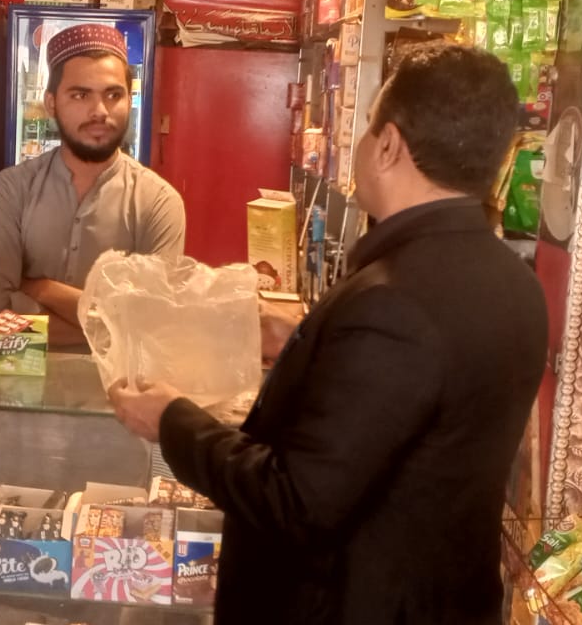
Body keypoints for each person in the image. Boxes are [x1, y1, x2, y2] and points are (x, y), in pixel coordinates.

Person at [107, 43, 547, 623]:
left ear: (388, 145)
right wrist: (308, 339)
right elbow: (416, 423)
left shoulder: (394, 303)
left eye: (368, 128)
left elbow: (298, 501)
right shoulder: (516, 285)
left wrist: (172, 422)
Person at [0, 24, 185, 344]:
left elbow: (151, 328)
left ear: (129, 100)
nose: (99, 111)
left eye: (113, 95)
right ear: (51, 103)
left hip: (118, 380)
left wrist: (42, 289)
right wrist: (112, 326)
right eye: (80, 95)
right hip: (14, 374)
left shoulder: (158, 203)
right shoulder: (10, 192)